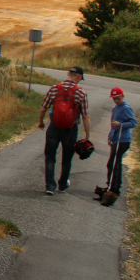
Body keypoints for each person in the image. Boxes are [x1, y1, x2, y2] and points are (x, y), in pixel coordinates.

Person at [37, 66, 91, 195]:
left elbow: (44, 108)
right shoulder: (81, 93)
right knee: (67, 158)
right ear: (78, 77)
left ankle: (50, 186)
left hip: (54, 127)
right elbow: (86, 116)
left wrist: (41, 122)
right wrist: (87, 137)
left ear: (68, 74)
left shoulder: (55, 88)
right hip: (70, 129)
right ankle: (62, 184)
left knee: (50, 157)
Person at [96, 87, 137, 207]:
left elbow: (133, 122)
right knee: (114, 163)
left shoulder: (126, 108)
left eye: (118, 98)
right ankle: (113, 186)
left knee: (113, 163)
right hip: (116, 139)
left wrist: (121, 125)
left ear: (122, 96)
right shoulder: (116, 108)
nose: (116, 101)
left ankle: (114, 188)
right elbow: (113, 125)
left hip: (123, 140)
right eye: (114, 99)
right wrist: (110, 137)